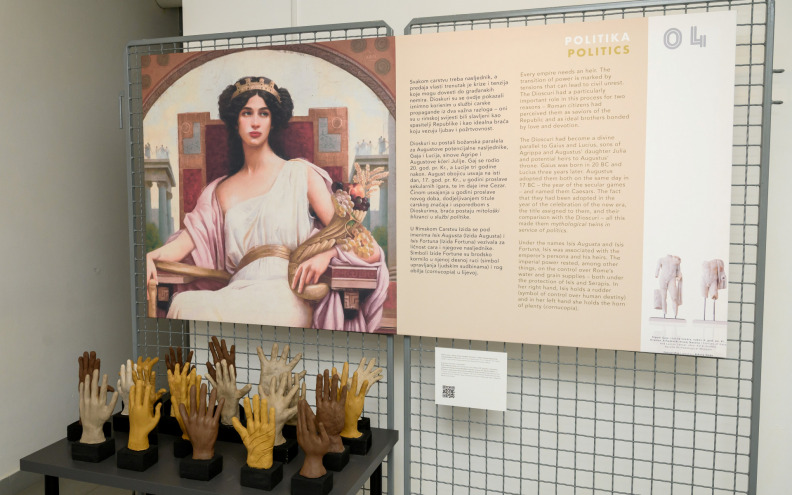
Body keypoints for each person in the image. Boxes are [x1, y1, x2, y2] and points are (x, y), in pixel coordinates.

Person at [146, 76, 388, 331]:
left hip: (286, 293)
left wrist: (327, 255)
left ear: (273, 122)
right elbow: (183, 245)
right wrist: (150, 256)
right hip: (236, 290)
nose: (255, 122)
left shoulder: (300, 174)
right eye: (246, 113)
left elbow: (366, 246)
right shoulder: (219, 191)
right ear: (235, 121)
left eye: (263, 113)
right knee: (185, 304)